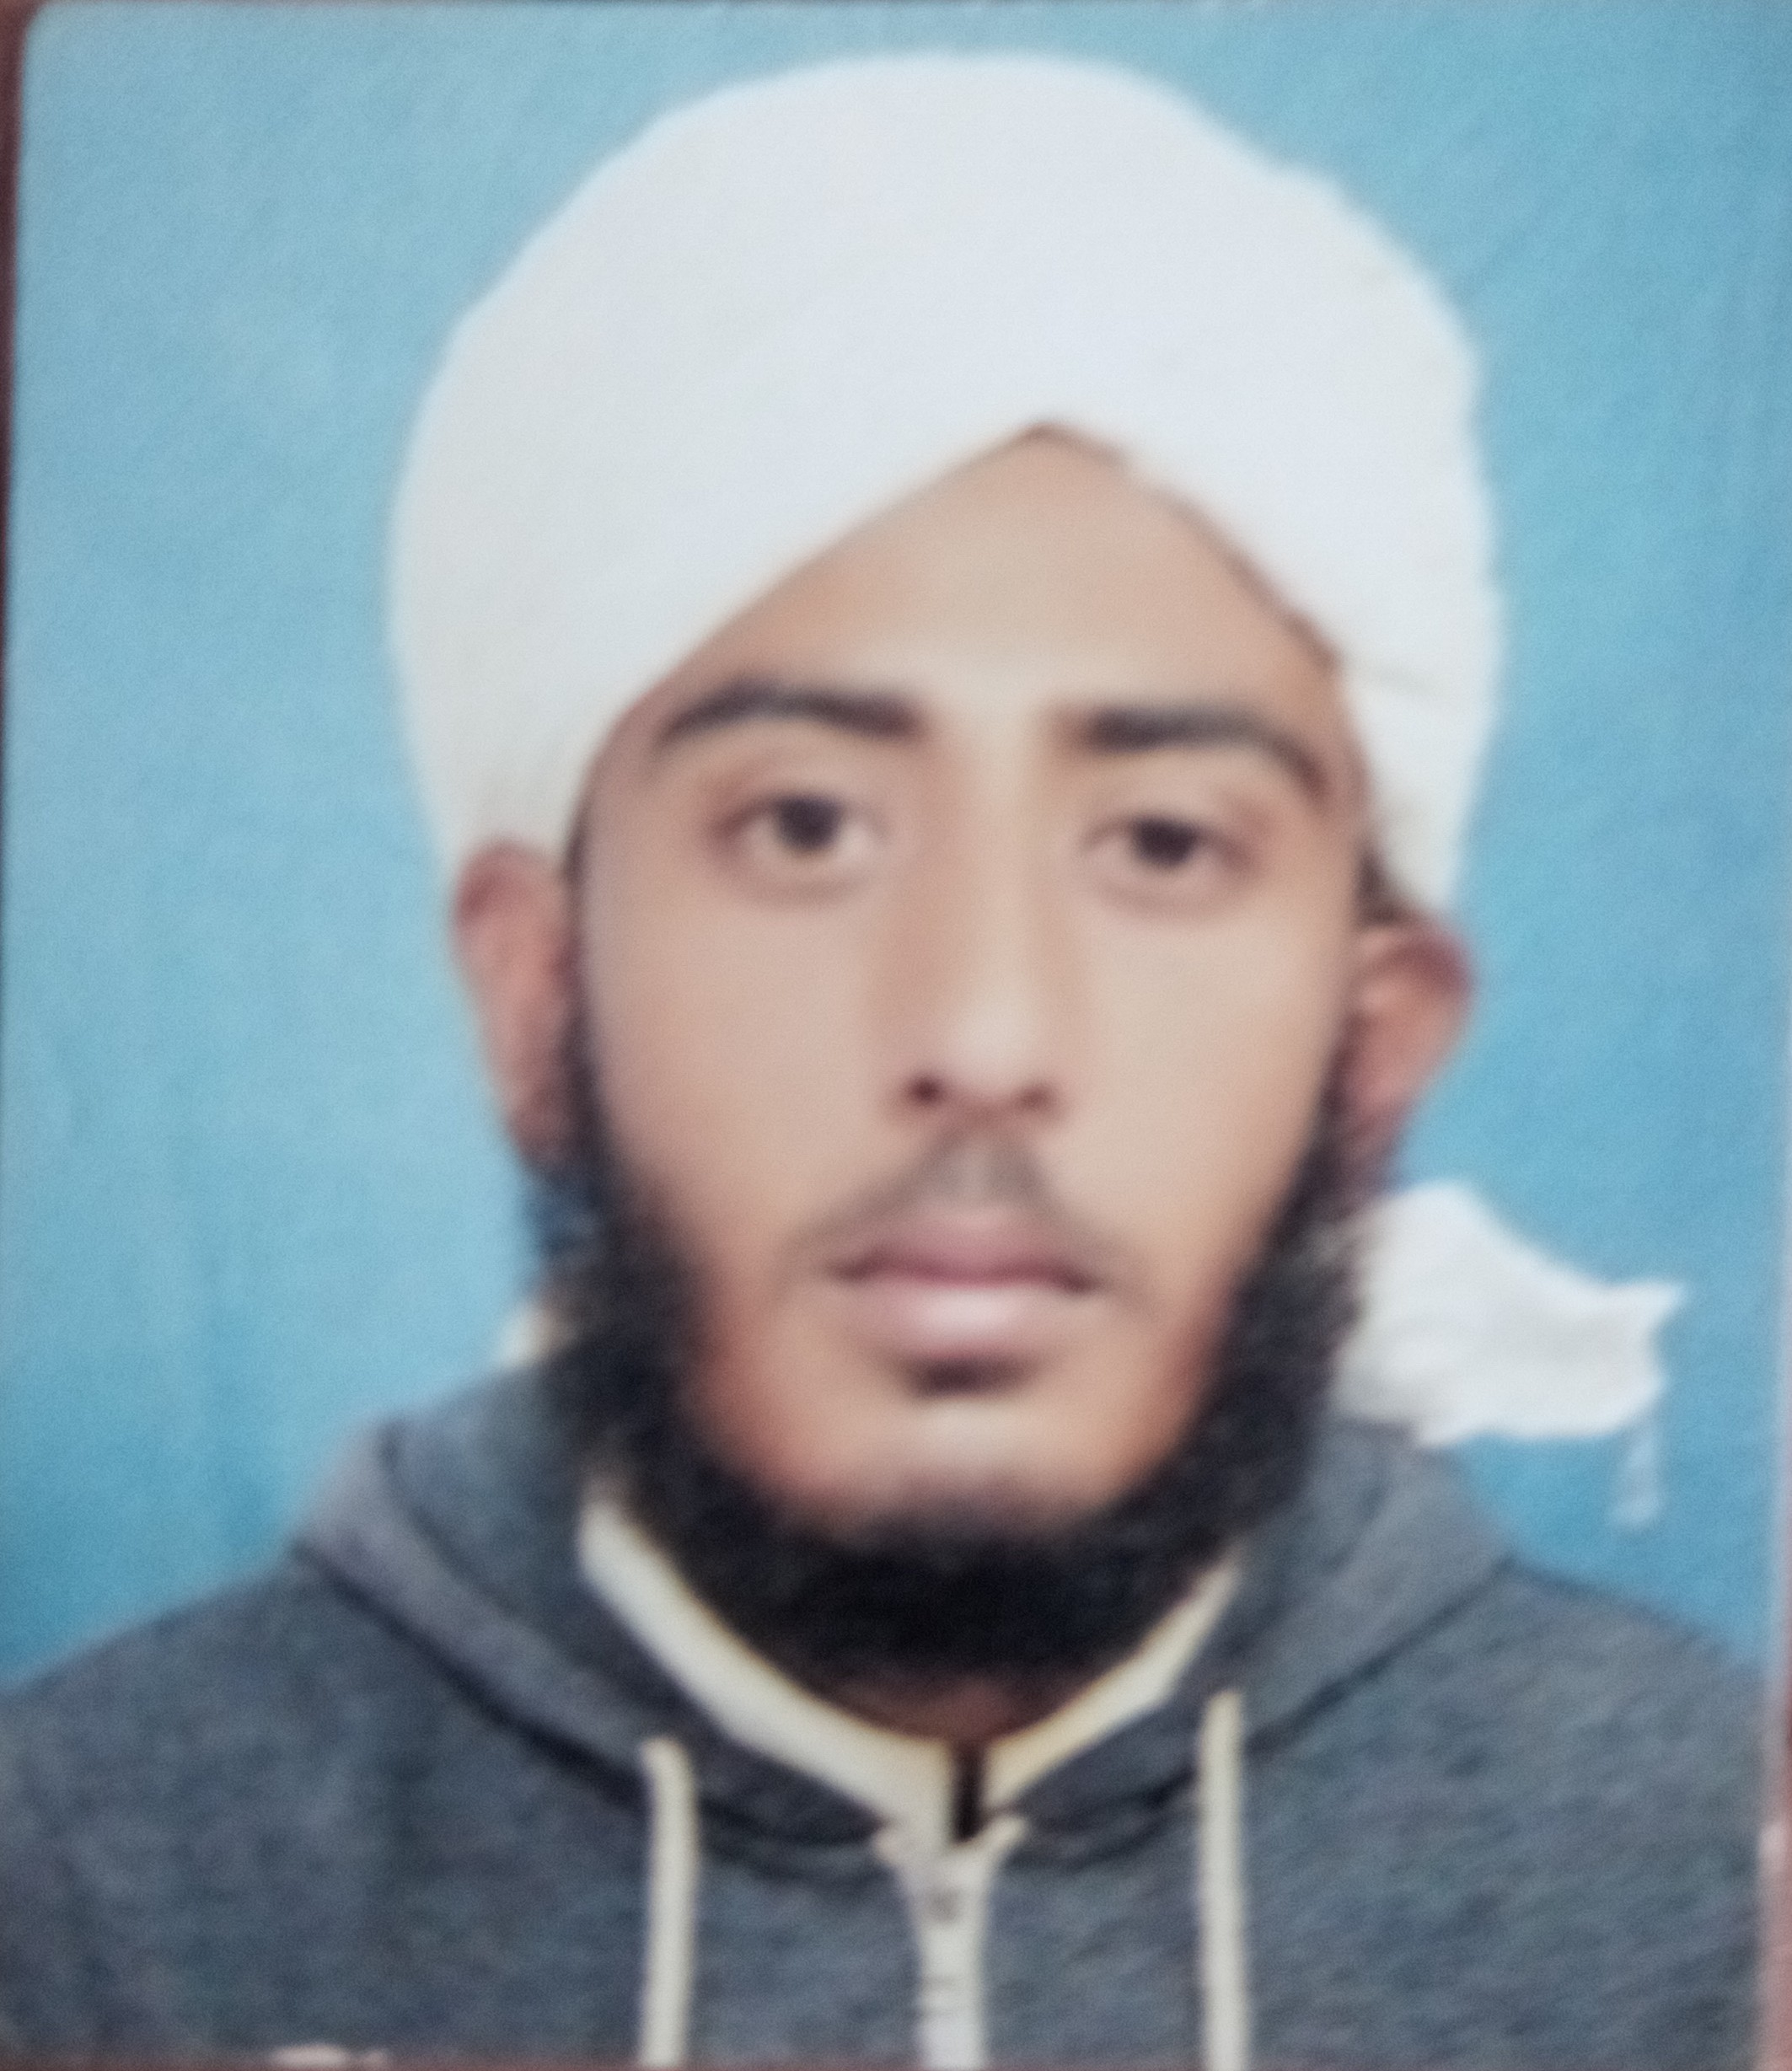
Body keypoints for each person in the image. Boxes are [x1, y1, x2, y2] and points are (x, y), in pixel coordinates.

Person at [0, 53, 1758, 2068]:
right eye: (806, 826)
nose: (981, 1034)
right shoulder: (83, 1884)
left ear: (1374, 1042)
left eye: (1160, 845)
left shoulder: (1693, 1873)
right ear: (534, 990)